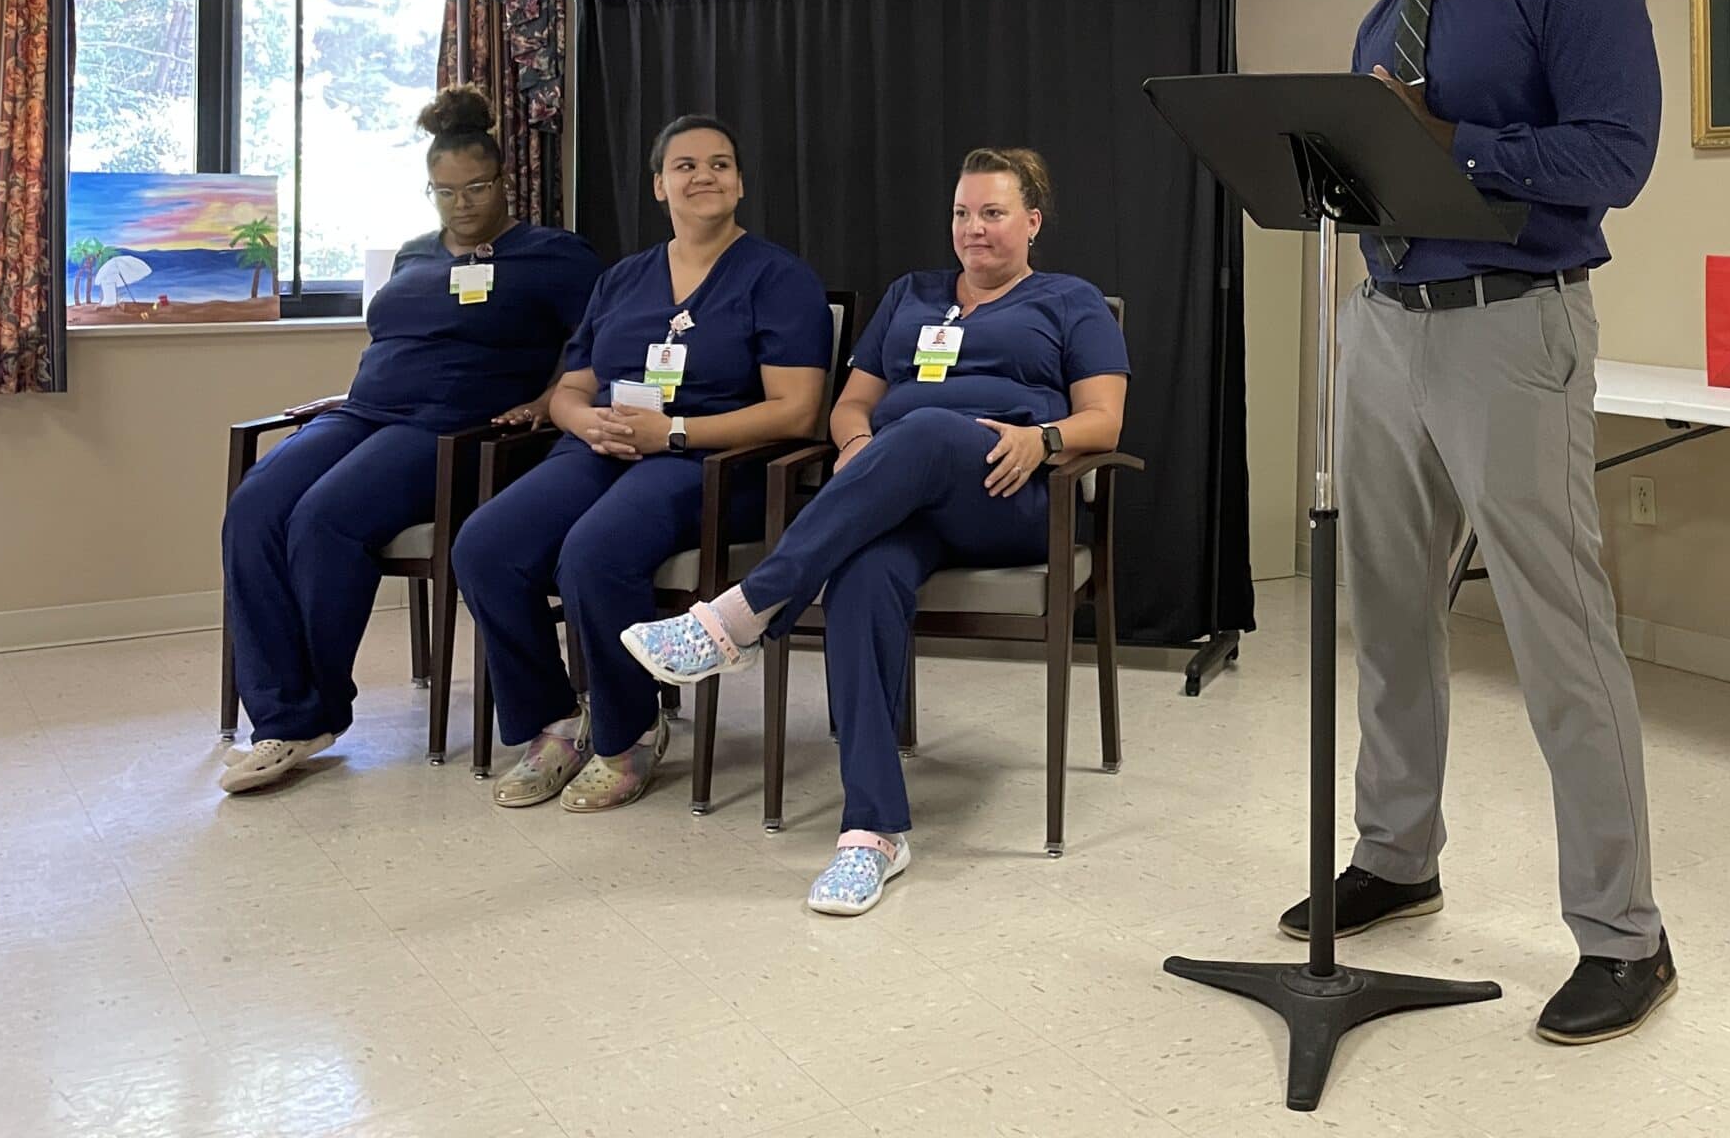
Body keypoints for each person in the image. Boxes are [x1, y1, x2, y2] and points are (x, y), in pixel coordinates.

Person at [1284, 0, 1670, 1044]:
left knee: (1556, 629)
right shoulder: (1394, 3)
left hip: (1512, 329)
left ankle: (1626, 936)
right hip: (1383, 325)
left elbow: (1618, 156)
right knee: (1387, 612)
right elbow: (1376, 158)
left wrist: (1453, 140)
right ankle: (1398, 854)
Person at [619, 147, 1128, 915]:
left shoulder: (1069, 300)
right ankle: (873, 832)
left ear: (1031, 222)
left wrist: (1044, 440)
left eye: (992, 213)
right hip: (900, 495)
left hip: (1007, 492)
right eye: (962, 213)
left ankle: (741, 614)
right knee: (862, 577)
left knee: (924, 428)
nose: (974, 229)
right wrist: (860, 449)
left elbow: (1106, 417)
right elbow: (851, 405)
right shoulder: (911, 295)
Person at [219, 87, 600, 794]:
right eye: (445, 190)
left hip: (450, 425)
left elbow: (602, 338)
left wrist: (553, 398)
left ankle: (315, 711)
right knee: (255, 505)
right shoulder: (415, 256)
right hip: (364, 410)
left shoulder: (554, 255)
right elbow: (398, 340)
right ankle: (278, 714)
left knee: (324, 517)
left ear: (502, 181)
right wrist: (348, 395)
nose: (461, 202)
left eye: (476, 187)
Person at [453, 116, 831, 813]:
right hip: (604, 448)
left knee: (594, 552)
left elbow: (798, 410)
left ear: (740, 183)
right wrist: (582, 420)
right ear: (659, 185)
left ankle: (628, 733)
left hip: (714, 463)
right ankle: (558, 723)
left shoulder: (779, 278)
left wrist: (676, 433)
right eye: (685, 166)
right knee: (484, 545)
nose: (703, 176)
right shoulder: (624, 279)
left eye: (720, 164)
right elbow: (569, 388)